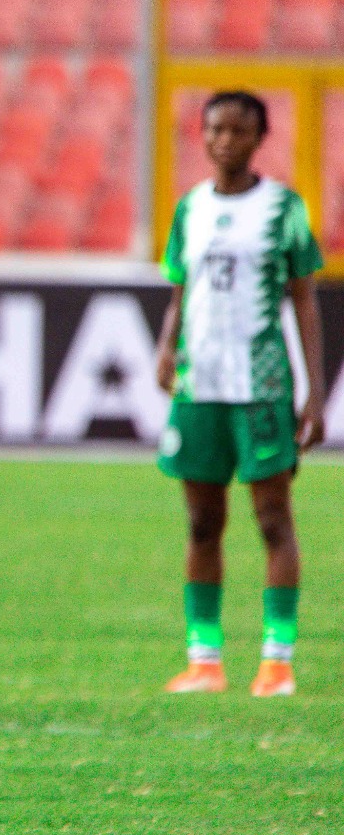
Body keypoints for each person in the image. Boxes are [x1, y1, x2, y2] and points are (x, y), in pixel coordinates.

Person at [154, 90, 326, 698]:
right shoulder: (190, 208)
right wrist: (165, 346)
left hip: (262, 386)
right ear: (202, 136)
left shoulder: (284, 209)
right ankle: (205, 661)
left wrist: (313, 392)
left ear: (260, 138)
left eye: (238, 131)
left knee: (273, 520)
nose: (224, 140)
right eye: (215, 130)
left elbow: (304, 300)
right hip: (200, 385)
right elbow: (182, 288)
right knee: (202, 523)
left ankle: (277, 662)